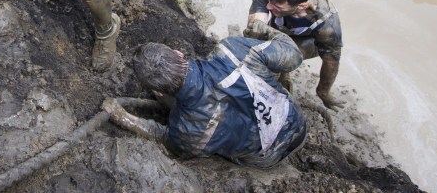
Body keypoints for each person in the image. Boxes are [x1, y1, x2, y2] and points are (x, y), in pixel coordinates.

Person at [103, 26, 307, 169]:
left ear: (159, 92)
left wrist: (123, 117)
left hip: (266, 159)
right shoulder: (233, 50)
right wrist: (267, 30)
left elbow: (164, 137)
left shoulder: (187, 132)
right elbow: (294, 55)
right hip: (298, 124)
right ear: (179, 54)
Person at [244, 0, 344, 110]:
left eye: (276, 6)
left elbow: (331, 60)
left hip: (309, 41)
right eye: (269, 1)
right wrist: (261, 33)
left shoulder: (327, 24)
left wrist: (323, 91)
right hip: (282, 26)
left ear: (301, 6)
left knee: (275, 59)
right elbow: (255, 27)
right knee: (258, 47)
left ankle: (277, 88)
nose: (268, 6)